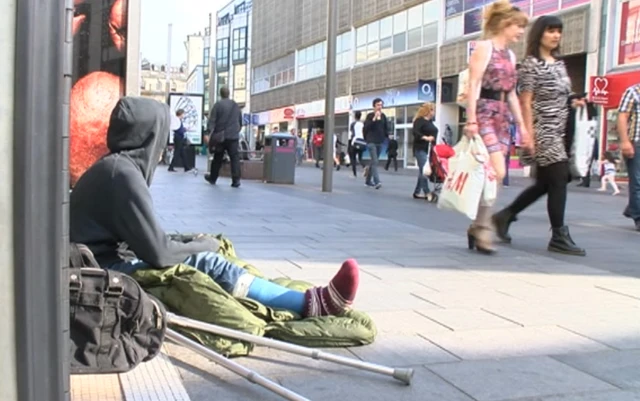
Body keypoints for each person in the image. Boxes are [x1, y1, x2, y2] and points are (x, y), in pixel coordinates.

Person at [70, 97, 360, 318]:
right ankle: (313, 304)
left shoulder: (115, 168)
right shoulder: (121, 175)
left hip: (97, 261)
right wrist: (204, 247)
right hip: (102, 271)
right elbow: (159, 253)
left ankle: (270, 291)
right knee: (205, 260)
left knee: (194, 244)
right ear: (150, 135)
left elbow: (146, 238)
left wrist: (189, 240)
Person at [492, 15, 587, 256]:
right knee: (558, 178)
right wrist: (528, 135)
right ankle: (559, 235)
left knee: (549, 182)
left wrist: (573, 100)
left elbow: (560, 94)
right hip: (543, 130)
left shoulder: (558, 63)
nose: (556, 35)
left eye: (559, 31)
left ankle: (505, 215)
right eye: (551, 31)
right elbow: (526, 102)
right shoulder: (531, 64)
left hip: (562, 130)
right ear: (540, 34)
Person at [463, 0, 528, 254]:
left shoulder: (511, 55)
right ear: (505, 24)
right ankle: (482, 225)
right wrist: (471, 119)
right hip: (485, 113)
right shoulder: (484, 48)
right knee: (498, 172)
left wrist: (521, 124)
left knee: (493, 177)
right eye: (518, 26)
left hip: (502, 116)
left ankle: (478, 226)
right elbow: (475, 84)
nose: (521, 32)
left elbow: (511, 93)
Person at [205, 87, 243, 188]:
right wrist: (236, 131)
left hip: (220, 136)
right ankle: (236, 180)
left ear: (220, 94)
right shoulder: (235, 105)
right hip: (233, 136)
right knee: (234, 158)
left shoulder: (218, 105)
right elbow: (240, 121)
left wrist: (208, 132)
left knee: (218, 157)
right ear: (229, 93)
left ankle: (213, 178)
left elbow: (212, 120)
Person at [617, 82, 640, 231]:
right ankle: (638, 216)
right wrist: (625, 141)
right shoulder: (633, 92)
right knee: (638, 181)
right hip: (637, 143)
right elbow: (622, 116)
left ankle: (633, 207)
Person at [412, 102, 438, 200]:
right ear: (428, 110)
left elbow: (434, 133)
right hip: (420, 148)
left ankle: (417, 192)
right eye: (432, 110)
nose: (434, 112)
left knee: (423, 170)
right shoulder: (419, 121)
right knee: (424, 170)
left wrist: (433, 139)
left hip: (430, 148)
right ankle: (427, 192)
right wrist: (425, 137)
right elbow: (415, 132)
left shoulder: (430, 122)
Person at [363, 98, 389, 189]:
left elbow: (386, 128)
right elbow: (366, 128)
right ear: (374, 106)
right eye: (378, 105)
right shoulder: (370, 116)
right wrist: (374, 119)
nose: (379, 107)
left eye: (381, 105)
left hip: (380, 141)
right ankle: (377, 181)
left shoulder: (383, 116)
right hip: (371, 142)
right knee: (375, 161)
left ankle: (367, 181)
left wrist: (387, 137)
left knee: (373, 162)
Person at [168, 109, 196, 174]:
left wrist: (184, 129)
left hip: (178, 137)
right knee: (178, 152)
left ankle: (185, 167)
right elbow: (178, 130)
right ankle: (172, 167)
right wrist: (185, 130)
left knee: (181, 152)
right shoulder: (177, 120)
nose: (184, 115)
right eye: (183, 114)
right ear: (181, 114)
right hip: (179, 138)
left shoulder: (178, 120)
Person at [349, 111, 365, 178]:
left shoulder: (353, 124)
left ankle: (354, 174)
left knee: (353, 158)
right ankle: (365, 167)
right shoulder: (363, 124)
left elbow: (351, 132)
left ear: (355, 116)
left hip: (355, 141)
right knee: (360, 158)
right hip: (362, 141)